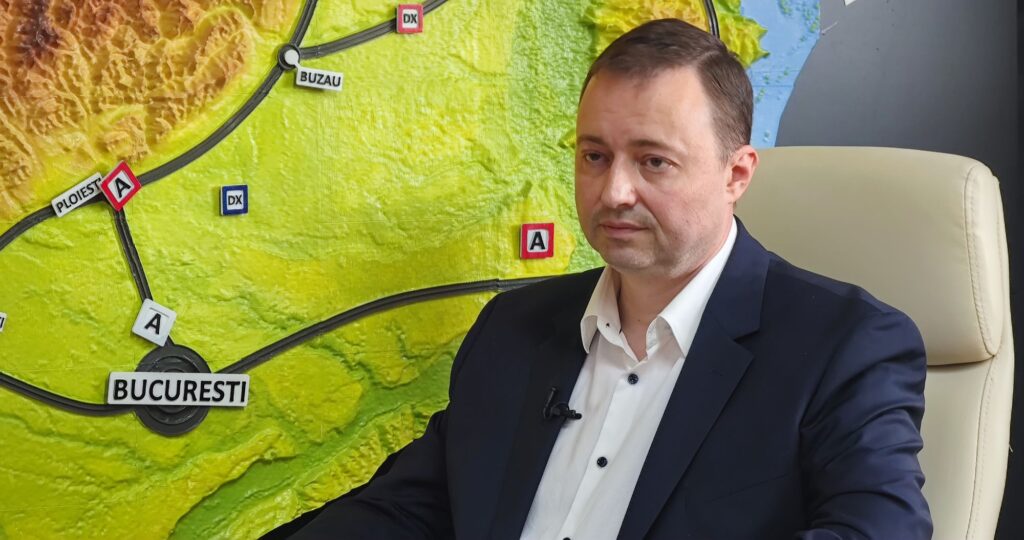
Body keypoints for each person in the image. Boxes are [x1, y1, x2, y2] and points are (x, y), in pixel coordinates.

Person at [290, 18, 932, 539]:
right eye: (595, 156)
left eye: (653, 162)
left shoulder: (843, 344)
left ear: (736, 174)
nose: (614, 191)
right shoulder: (514, 327)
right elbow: (411, 508)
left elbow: (880, 530)